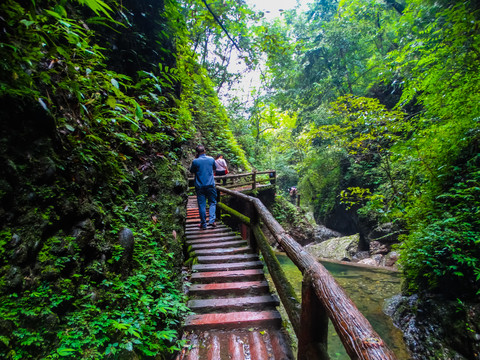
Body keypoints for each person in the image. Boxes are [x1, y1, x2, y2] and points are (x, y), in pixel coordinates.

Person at [190, 145, 217, 230]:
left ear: (197, 152)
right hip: (210, 185)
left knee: (202, 205)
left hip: (200, 186)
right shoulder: (211, 159)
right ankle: (212, 220)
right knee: (212, 203)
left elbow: (192, 171)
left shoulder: (195, 161)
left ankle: (203, 224)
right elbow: (214, 168)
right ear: (204, 150)